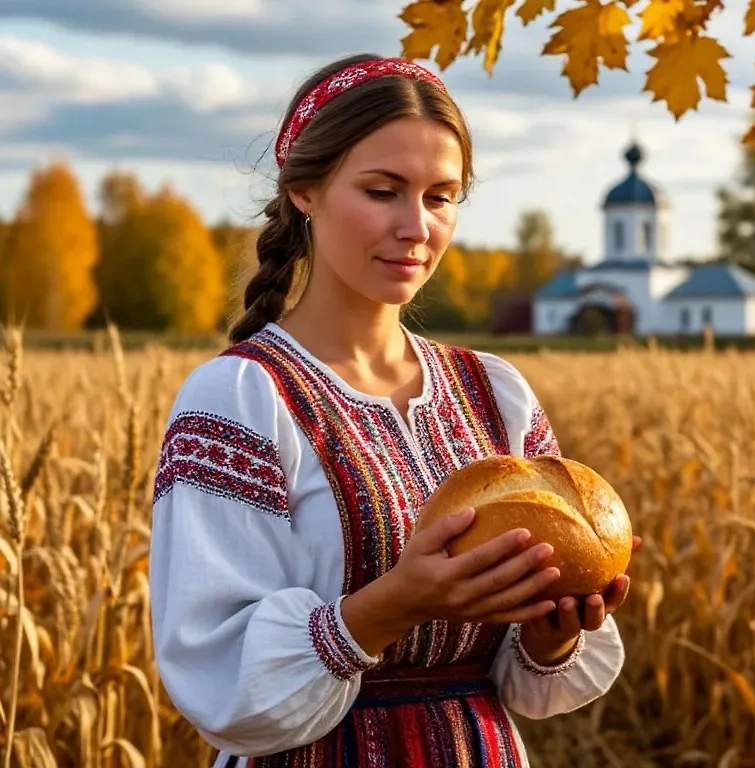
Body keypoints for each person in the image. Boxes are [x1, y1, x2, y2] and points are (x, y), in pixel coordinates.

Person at [148, 53, 638, 767]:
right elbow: (215, 674)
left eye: (441, 198)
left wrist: (551, 632)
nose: (417, 226)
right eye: (384, 190)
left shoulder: (494, 392)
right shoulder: (242, 397)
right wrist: (397, 603)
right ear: (305, 192)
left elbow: (528, 683)